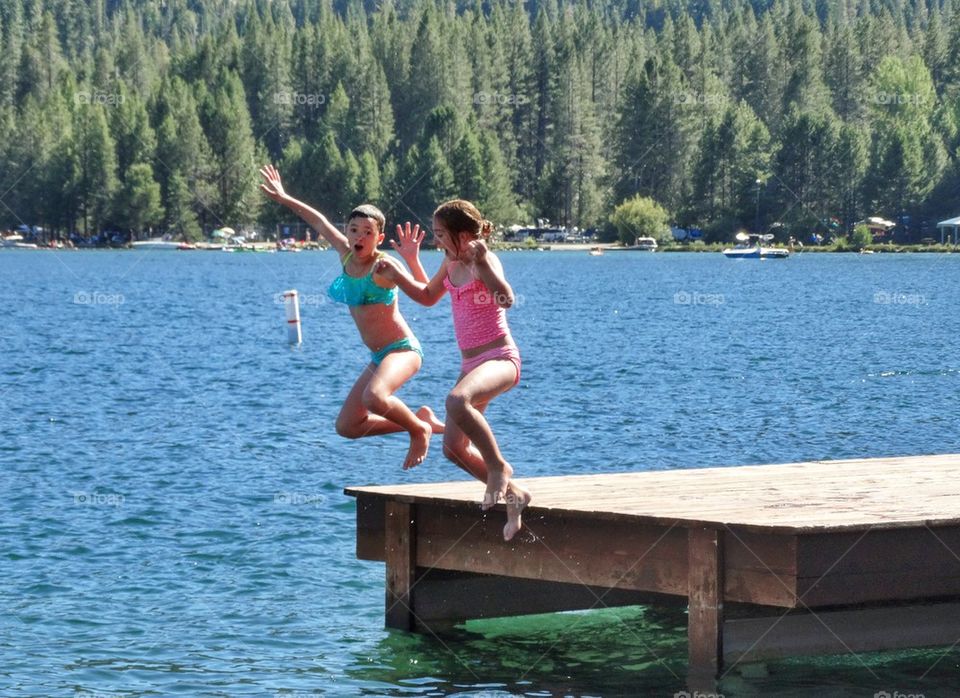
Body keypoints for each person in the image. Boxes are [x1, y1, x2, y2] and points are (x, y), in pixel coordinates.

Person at [258, 164, 443, 468]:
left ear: (379, 238)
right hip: (379, 356)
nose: (359, 236)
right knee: (348, 426)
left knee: (375, 398)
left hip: (402, 350)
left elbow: (426, 295)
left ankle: (418, 429)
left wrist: (411, 259)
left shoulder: (384, 267)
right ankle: (420, 419)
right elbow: (316, 220)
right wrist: (283, 197)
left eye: (368, 232)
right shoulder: (345, 254)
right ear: (347, 231)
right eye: (354, 230)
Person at [375, 200, 531, 541]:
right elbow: (427, 296)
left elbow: (506, 300)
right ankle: (514, 495)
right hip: (471, 363)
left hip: (500, 358)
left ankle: (498, 466)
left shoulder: (483, 261)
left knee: (457, 400)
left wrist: (482, 265)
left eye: (441, 234)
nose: (437, 240)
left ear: (463, 235)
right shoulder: (449, 262)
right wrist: (397, 273)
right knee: (453, 448)